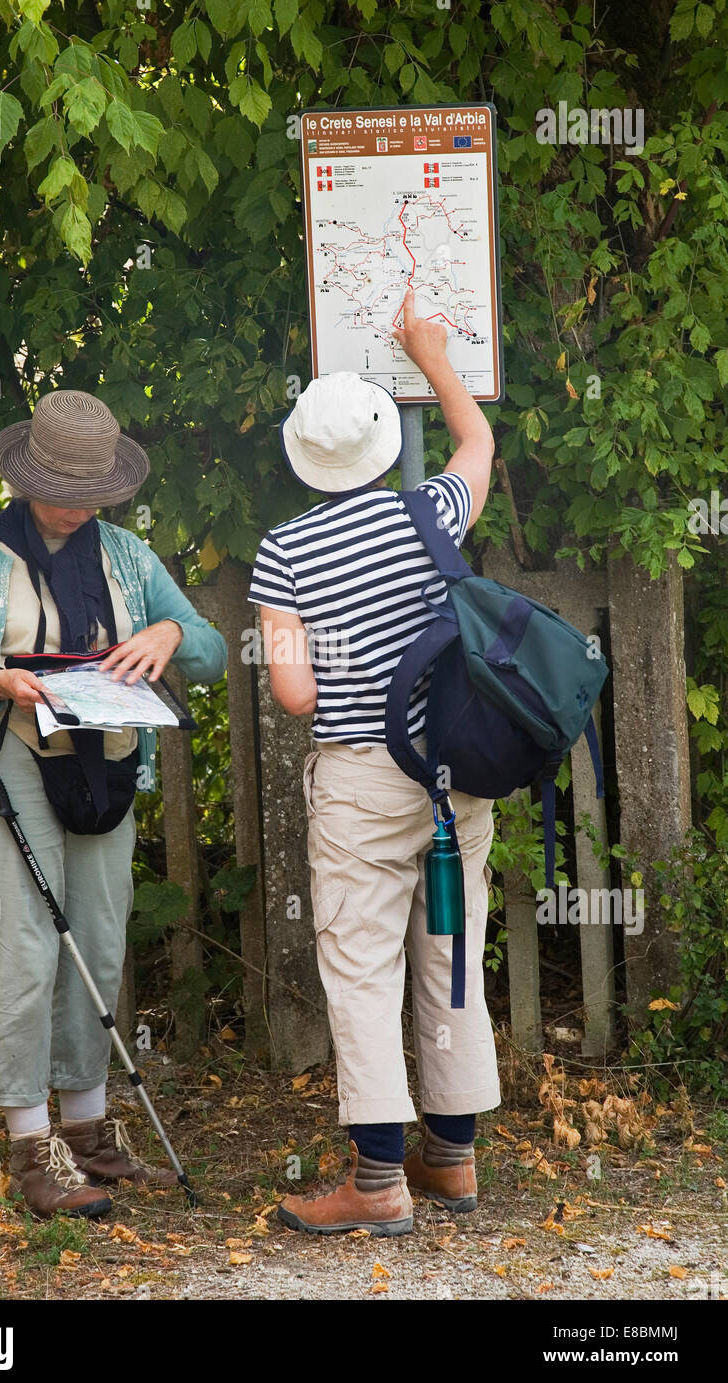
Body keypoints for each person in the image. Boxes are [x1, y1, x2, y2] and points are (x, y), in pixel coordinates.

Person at [0, 389, 227, 1220]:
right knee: (24, 954)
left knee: (98, 946)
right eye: (64, 488)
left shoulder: (126, 552)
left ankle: (88, 1135)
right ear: (26, 475)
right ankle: (30, 1148)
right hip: (3, 769)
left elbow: (214, 650)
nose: (80, 507)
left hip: (104, 772)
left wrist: (167, 637)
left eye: (93, 492)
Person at [248, 291, 498, 1235]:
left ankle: (379, 1182)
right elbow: (476, 447)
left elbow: (297, 698)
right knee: (452, 952)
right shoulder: (432, 514)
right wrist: (431, 355)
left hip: (359, 783)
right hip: (452, 778)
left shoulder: (284, 551)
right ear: (385, 446)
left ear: (306, 460)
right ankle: (454, 1160)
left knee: (360, 969)